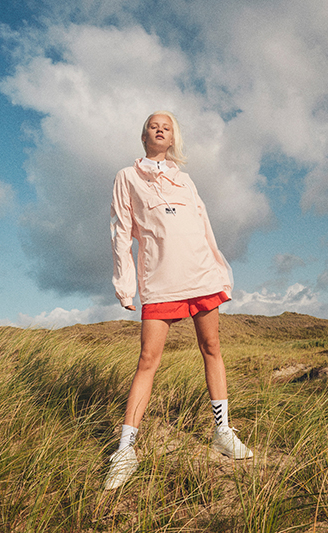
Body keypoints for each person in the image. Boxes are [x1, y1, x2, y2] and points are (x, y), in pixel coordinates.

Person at [105, 111, 253, 490]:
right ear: (144, 136)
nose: (160, 129)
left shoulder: (185, 180)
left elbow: (204, 226)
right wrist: (125, 285)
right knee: (147, 360)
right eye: (153, 126)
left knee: (212, 347)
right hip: (160, 279)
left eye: (167, 127)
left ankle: (222, 433)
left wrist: (219, 270)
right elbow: (121, 232)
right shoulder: (127, 177)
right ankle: (125, 450)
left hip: (200, 273)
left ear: (172, 139)